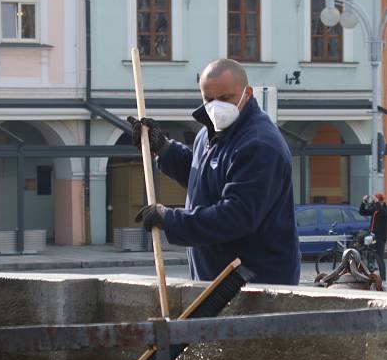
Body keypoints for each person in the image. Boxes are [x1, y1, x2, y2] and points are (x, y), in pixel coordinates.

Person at [127, 58, 301, 285]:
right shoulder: (209, 132)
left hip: (255, 280)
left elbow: (236, 216)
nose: (216, 106)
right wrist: (163, 148)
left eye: (226, 98)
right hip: (217, 278)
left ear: (247, 93)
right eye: (208, 99)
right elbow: (201, 176)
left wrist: (171, 219)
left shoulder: (259, 144)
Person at [359, 193, 387, 284]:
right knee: (370, 256)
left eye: (376, 201)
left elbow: (382, 212)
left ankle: (383, 279)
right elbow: (362, 212)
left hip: (380, 237)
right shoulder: (375, 210)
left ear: (381, 201)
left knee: (379, 257)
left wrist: (377, 203)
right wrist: (363, 202)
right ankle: (371, 276)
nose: (374, 203)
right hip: (372, 236)